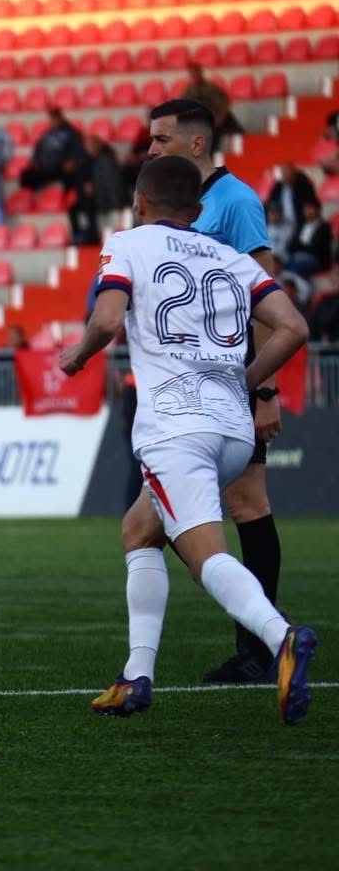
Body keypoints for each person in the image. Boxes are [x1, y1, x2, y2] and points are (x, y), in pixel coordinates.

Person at [58, 155, 316, 724]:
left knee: (205, 556)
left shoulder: (128, 243)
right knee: (139, 530)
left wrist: (78, 354)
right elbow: (294, 326)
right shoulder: (230, 257)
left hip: (176, 426)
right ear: (197, 211)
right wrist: (246, 381)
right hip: (232, 429)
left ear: (139, 203)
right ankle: (136, 675)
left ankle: (282, 637)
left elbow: (107, 319)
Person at [147, 98, 290, 684]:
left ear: (197, 143)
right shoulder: (172, 201)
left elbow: (267, 298)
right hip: (184, 384)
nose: (152, 149)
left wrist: (265, 391)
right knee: (158, 519)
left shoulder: (236, 202)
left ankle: (261, 649)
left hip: (232, 380)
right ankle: (260, 636)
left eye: (161, 139)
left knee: (247, 504)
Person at [19, 107, 87, 196]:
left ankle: (65, 198)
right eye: (51, 119)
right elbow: (38, 148)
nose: (52, 121)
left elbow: (78, 150)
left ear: (61, 118)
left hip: (61, 168)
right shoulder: (47, 133)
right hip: (44, 167)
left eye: (55, 118)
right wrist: (35, 160)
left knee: (73, 175)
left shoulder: (72, 133)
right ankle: (30, 198)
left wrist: (73, 160)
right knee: (26, 174)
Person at [183, 63, 242, 144]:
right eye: (192, 74)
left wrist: (220, 117)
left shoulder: (211, 88)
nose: (194, 76)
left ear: (200, 72)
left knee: (236, 132)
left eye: (196, 73)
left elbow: (225, 102)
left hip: (218, 119)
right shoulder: (188, 91)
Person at [264, 163, 319, 234]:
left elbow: (310, 204)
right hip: (281, 223)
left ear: (293, 173)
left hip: (299, 223)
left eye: (286, 173)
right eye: (282, 173)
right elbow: (270, 202)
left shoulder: (303, 184)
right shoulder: (278, 186)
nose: (284, 176)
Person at [288, 200, 333, 278]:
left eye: (310, 208)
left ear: (317, 210)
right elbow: (291, 245)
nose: (307, 212)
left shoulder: (324, 227)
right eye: (305, 209)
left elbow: (318, 248)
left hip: (316, 259)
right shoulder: (301, 226)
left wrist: (301, 247)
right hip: (298, 256)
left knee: (298, 265)